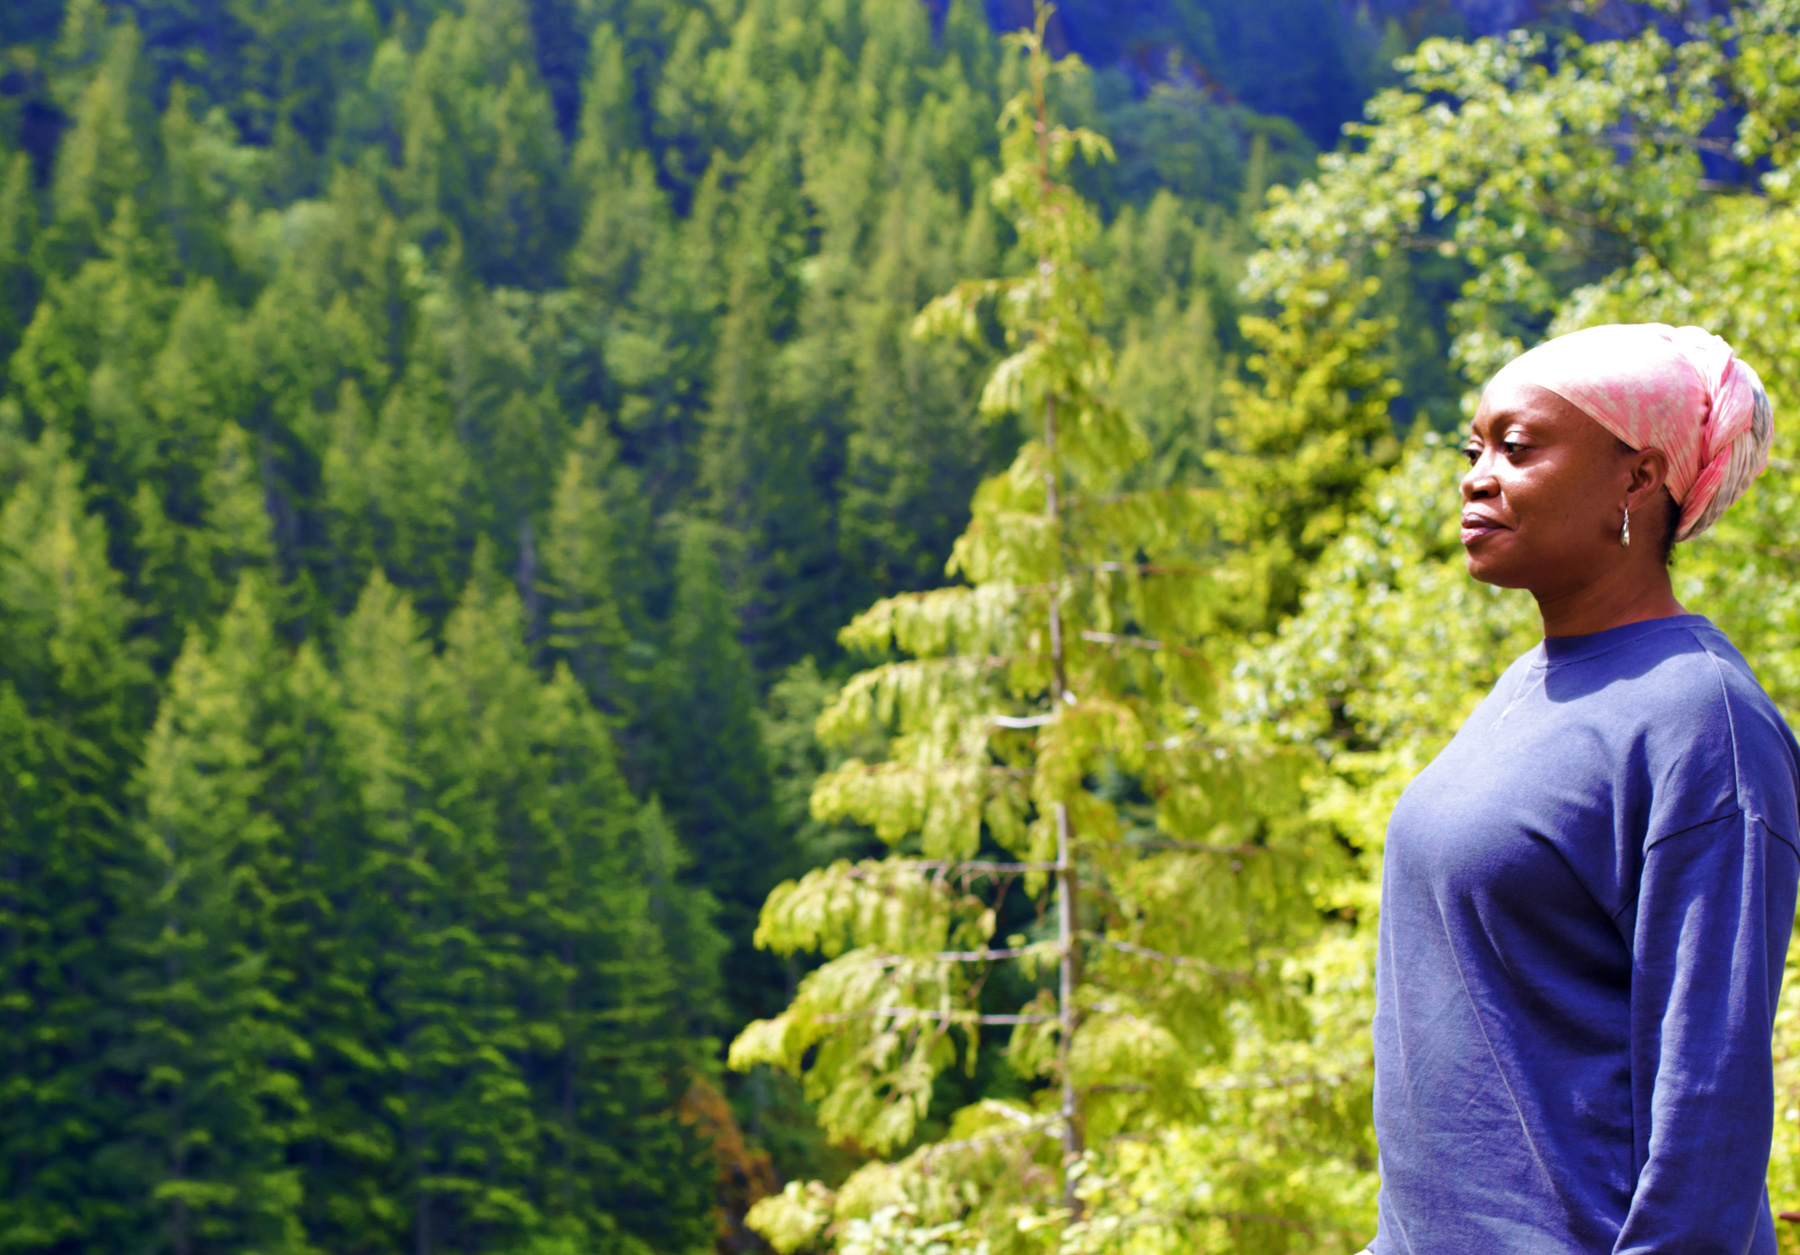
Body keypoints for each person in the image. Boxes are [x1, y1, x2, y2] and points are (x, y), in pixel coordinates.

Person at [1368, 323, 1800, 1254]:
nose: (1476, 475)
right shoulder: (1531, 684)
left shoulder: (1702, 719)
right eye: (1473, 448)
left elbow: (1709, 1099)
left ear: (1638, 478)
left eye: (1517, 448)